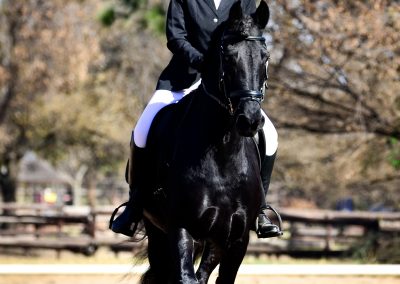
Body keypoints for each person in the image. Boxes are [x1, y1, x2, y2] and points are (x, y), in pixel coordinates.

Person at [110, 0, 282, 238]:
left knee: (270, 136)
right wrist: (203, 62)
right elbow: (175, 37)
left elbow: (248, 36)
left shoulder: (244, 2)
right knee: (142, 130)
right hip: (183, 79)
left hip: (228, 87)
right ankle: (135, 205)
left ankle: (261, 210)